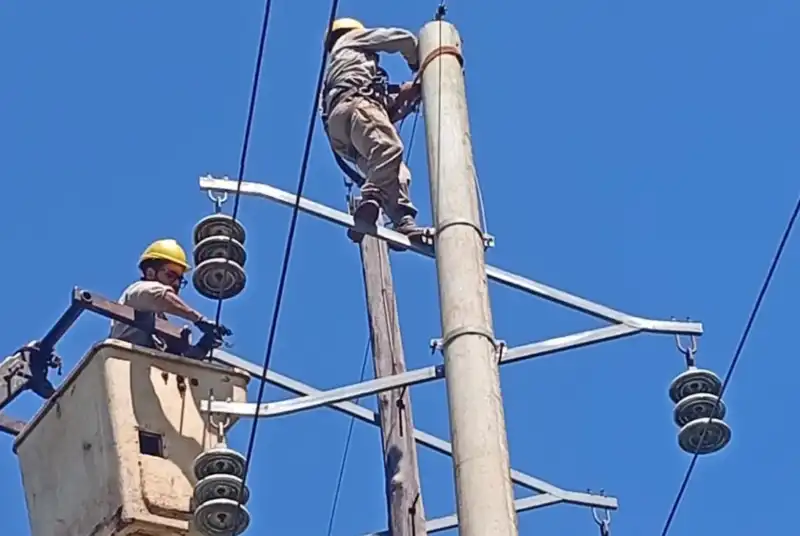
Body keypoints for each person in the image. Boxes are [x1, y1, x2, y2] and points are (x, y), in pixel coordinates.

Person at [320, 17, 427, 246]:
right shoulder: (351, 39)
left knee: (395, 170)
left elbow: (382, 108)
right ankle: (371, 196)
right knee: (389, 147)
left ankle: (402, 220)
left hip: (341, 132)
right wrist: (418, 62)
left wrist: (405, 95)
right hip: (356, 105)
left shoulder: (341, 68)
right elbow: (403, 39)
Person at [109, 238, 230, 353]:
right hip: (123, 360)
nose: (176, 283)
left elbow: (179, 360)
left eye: (180, 279)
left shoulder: (160, 321)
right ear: (150, 273)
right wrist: (199, 319)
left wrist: (203, 346)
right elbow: (159, 294)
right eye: (170, 275)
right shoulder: (136, 292)